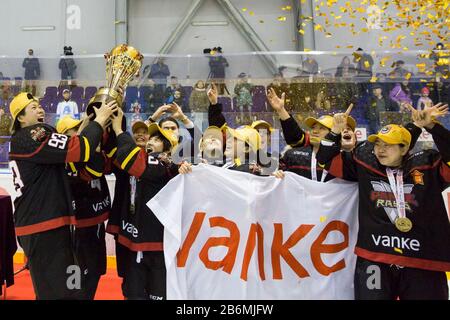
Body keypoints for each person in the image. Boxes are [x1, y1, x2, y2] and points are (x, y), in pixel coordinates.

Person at [316, 103, 450, 300]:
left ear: (405, 148)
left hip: (421, 261)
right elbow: (325, 160)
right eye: (378, 143)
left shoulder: (427, 165)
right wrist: (335, 131)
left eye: (388, 145)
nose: (380, 149)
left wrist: (432, 127)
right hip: (375, 258)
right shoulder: (365, 162)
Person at [8, 92, 115, 299]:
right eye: (33, 107)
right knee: (56, 293)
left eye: (39, 105)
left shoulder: (36, 139)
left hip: (52, 224)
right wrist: (100, 120)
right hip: (42, 226)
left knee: (70, 288)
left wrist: (92, 122)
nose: (40, 109)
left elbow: (77, 146)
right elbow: (81, 148)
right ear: (20, 118)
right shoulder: (31, 136)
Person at [110, 109, 179, 300]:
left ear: (166, 148)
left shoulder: (163, 164)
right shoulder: (149, 159)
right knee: (133, 291)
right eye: (151, 138)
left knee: (157, 293)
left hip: (156, 242)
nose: (149, 141)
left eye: (156, 140)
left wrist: (118, 130)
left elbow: (131, 157)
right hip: (135, 237)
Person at [56, 115, 110, 300]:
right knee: (78, 277)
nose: (82, 131)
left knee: (95, 272)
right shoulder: (65, 159)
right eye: (75, 129)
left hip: (96, 222)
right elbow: (91, 171)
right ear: (64, 137)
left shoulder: (89, 149)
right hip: (78, 226)